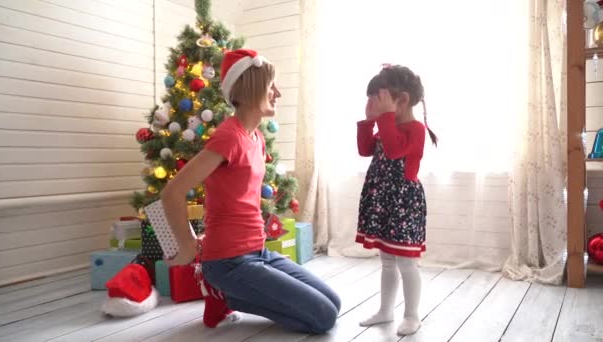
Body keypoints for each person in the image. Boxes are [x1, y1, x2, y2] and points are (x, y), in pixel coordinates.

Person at [161, 49, 340, 333]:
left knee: (334, 302)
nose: (277, 93)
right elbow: (173, 192)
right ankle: (224, 293)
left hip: (258, 253)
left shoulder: (255, 138)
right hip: (227, 262)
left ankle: (231, 295)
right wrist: (187, 245)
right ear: (250, 90)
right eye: (271, 87)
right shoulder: (228, 137)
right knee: (324, 318)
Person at [354, 64, 437, 336]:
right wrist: (368, 121)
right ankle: (385, 310)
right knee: (387, 260)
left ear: (400, 100)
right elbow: (365, 149)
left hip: (403, 203)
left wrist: (385, 118)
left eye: (378, 99)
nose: (374, 104)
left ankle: (412, 315)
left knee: (406, 262)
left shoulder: (415, 129)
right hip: (382, 200)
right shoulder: (385, 126)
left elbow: (393, 151)